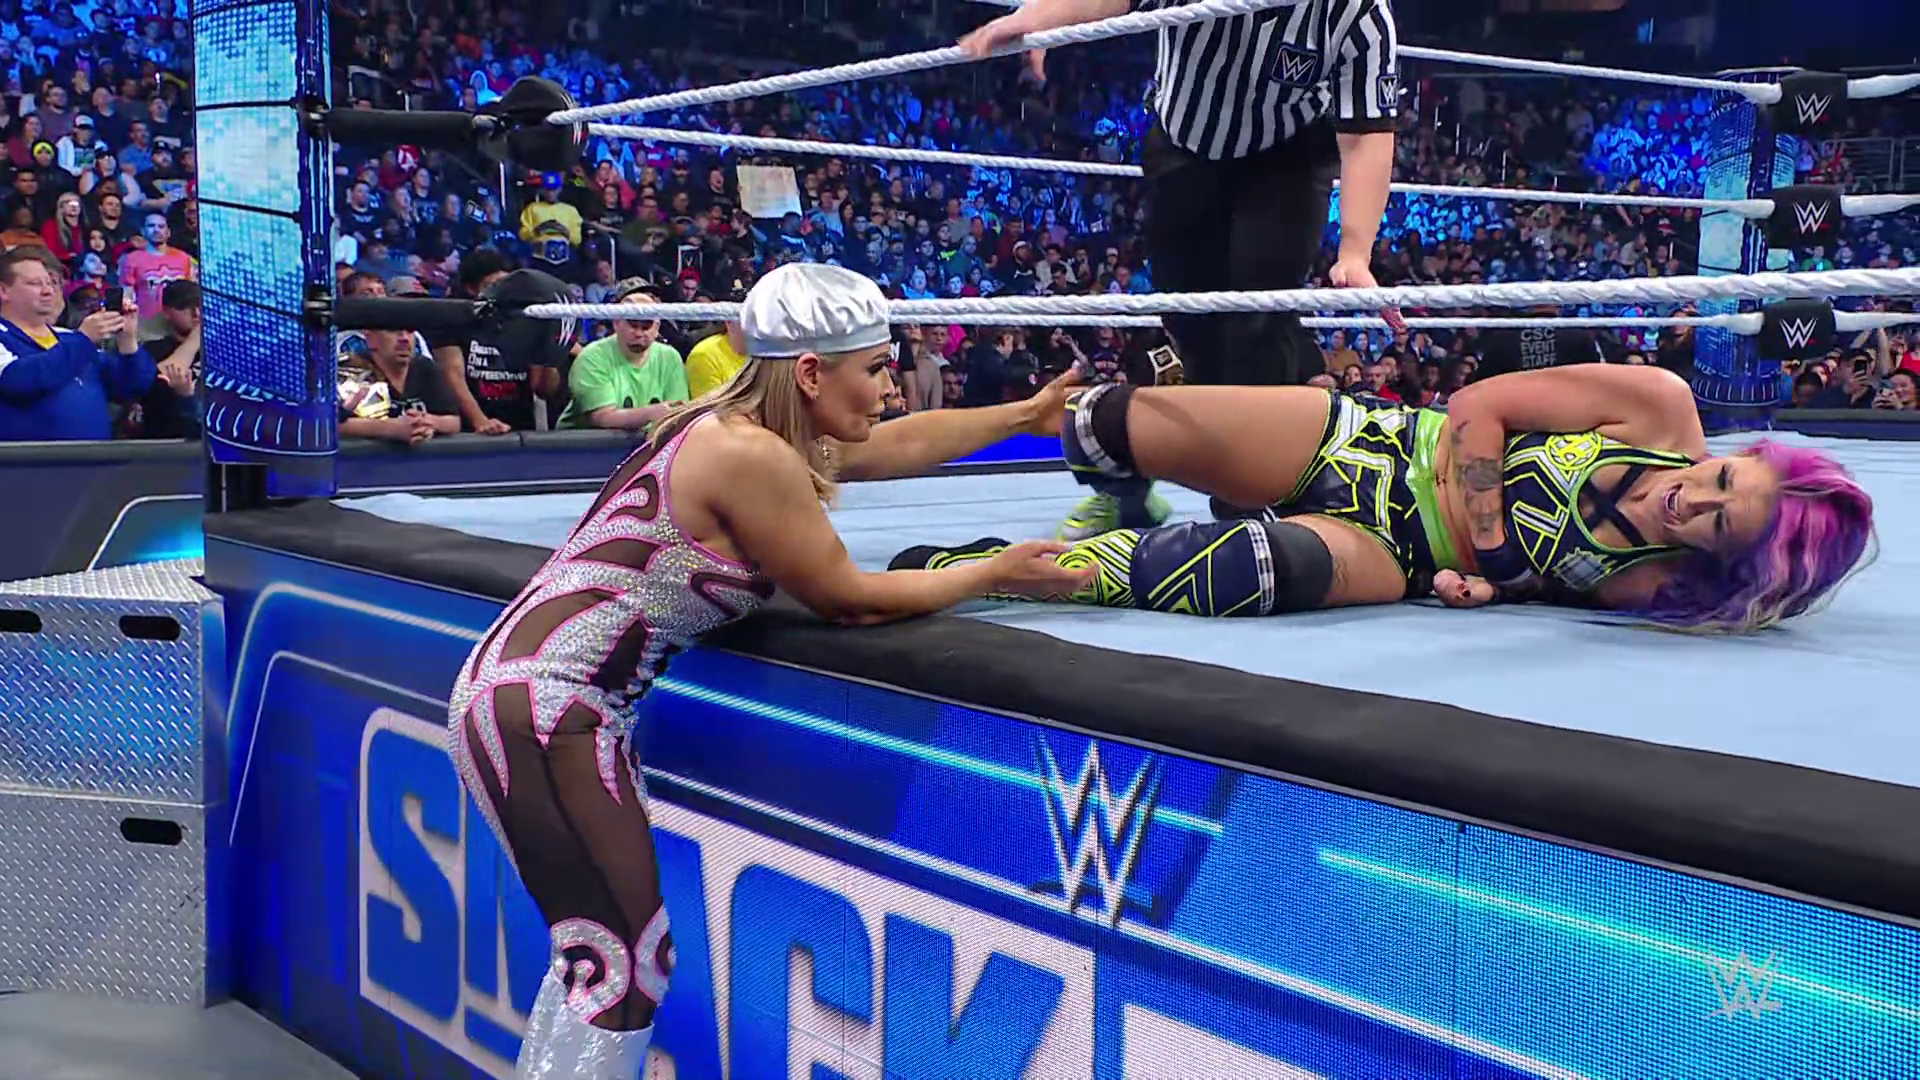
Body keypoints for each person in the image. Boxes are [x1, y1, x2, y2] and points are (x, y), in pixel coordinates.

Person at [446, 262, 1092, 1080]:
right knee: (619, 964)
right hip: (547, 708)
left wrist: (1026, 416)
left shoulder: (739, 430)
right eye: (875, 369)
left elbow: (895, 444)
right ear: (812, 373)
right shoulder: (747, 453)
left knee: (602, 958)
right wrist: (992, 573)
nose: (889, 389)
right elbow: (847, 599)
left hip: (542, 701)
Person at [894, 365, 1876, 633]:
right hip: (1377, 439)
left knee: (1253, 571)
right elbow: (1481, 406)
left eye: (1718, 524)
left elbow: (1544, 587)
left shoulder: (1663, 583)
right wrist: (1495, 545)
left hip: (1401, 555)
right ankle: (1115, 496)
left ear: (1725, 557)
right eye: (1719, 481)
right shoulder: (1659, 407)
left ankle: (1001, 572)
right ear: (1732, 455)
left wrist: (1488, 585)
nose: (1692, 503)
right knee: (1107, 419)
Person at [961, 0, 1405, 538]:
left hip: (1286, 154)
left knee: (1259, 317)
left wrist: (1355, 251)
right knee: (1185, 313)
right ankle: (1170, 481)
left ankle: (1252, 496)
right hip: (1184, 140)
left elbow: (1366, 131)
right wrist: (1033, 19)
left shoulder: (1358, 13)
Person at [0, 247, 152, 441]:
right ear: (3, 291)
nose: (48, 291)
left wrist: (127, 340)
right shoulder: (78, 342)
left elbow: (131, 387)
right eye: (35, 284)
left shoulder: (68, 338)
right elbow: (18, 381)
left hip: (94, 457)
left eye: (50, 283)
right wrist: (84, 339)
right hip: (29, 459)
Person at [556, 280, 689, 432]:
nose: (639, 333)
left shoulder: (670, 357)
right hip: (585, 443)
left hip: (649, 441)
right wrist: (652, 413)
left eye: (646, 327)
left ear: (657, 327)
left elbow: (677, 413)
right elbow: (602, 417)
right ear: (616, 323)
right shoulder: (592, 357)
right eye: (633, 325)